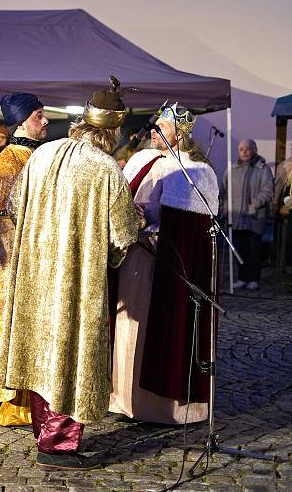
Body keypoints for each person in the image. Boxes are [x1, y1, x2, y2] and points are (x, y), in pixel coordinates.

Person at [0, 76, 138, 470]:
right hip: (77, 279)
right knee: (69, 354)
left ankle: (45, 428)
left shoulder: (42, 154)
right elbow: (124, 234)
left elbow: (13, 207)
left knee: (43, 353)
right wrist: (107, 252)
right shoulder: (105, 167)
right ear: (111, 133)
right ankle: (57, 445)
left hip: (35, 278)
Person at [109, 103, 219, 425]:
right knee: (129, 328)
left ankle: (157, 405)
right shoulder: (141, 159)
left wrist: (148, 222)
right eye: (155, 126)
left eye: (163, 127)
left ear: (180, 132)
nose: (155, 131)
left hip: (161, 262)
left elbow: (188, 232)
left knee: (152, 326)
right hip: (133, 258)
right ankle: (123, 399)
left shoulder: (194, 170)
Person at [0, 93, 48, 427]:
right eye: (39, 115)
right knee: (14, 329)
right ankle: (16, 402)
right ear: (21, 121)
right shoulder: (9, 161)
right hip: (18, 268)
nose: (46, 121)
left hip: (37, 263)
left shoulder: (37, 155)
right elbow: (1, 227)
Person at [220, 139, 273, 290]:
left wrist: (254, 204)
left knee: (254, 250)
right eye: (241, 149)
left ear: (254, 150)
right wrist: (224, 206)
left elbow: (268, 191)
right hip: (236, 217)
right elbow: (224, 191)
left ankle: (254, 278)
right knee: (239, 249)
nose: (244, 151)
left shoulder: (262, 169)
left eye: (247, 149)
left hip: (254, 217)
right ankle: (242, 277)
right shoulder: (232, 169)